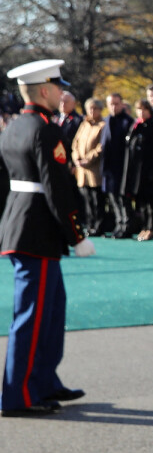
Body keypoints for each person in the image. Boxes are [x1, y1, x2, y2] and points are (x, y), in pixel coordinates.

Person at [0, 59, 93, 417]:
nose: (62, 93)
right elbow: (56, 188)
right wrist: (77, 235)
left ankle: (43, 381)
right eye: (57, 88)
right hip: (37, 231)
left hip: (26, 229)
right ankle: (17, 395)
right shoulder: (44, 129)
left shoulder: (13, 128)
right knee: (31, 316)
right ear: (43, 90)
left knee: (51, 311)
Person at [122, 99, 153, 241]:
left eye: (145, 109)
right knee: (141, 203)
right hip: (137, 172)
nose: (142, 112)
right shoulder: (135, 126)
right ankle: (144, 227)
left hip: (150, 171)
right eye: (139, 109)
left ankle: (152, 228)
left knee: (151, 203)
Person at [99, 93, 134, 238]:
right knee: (112, 197)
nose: (113, 107)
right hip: (108, 167)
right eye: (111, 104)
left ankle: (127, 225)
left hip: (122, 166)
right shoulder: (106, 121)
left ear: (122, 104)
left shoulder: (127, 122)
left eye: (116, 104)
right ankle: (119, 224)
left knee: (123, 198)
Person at [70, 98, 105, 236]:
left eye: (95, 108)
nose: (92, 111)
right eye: (90, 108)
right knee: (86, 200)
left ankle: (98, 225)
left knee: (97, 200)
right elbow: (76, 143)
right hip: (82, 170)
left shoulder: (102, 125)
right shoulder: (84, 124)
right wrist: (77, 158)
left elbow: (100, 147)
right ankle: (89, 224)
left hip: (94, 169)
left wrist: (88, 159)